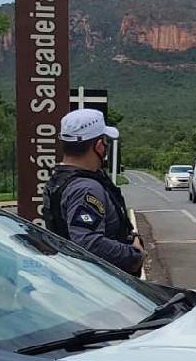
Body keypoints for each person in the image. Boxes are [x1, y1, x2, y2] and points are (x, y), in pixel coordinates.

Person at [42, 109, 144, 275]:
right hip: (100, 283)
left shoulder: (60, 179)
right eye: (104, 142)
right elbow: (87, 241)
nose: (105, 147)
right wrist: (133, 255)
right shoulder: (85, 188)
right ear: (98, 146)